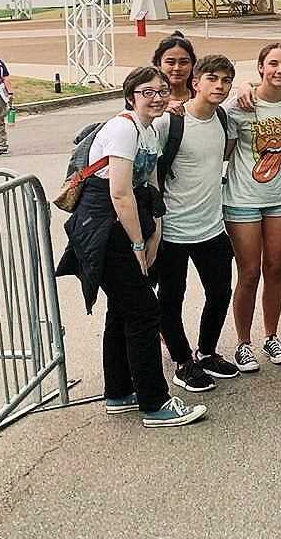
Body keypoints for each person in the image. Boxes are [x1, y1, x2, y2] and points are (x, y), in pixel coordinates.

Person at [56, 66, 206, 427]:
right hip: (106, 226)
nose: (157, 97)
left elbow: (149, 184)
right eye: (147, 92)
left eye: (162, 91)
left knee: (123, 311)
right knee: (144, 312)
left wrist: (154, 231)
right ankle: (155, 403)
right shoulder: (123, 128)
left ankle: (120, 391)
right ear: (131, 96)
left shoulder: (150, 130)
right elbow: (119, 192)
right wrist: (138, 242)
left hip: (129, 221)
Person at [154, 55, 238, 392]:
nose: (219, 86)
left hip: (211, 227)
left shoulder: (222, 117)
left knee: (219, 292)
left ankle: (206, 352)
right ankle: (182, 361)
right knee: (171, 298)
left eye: (226, 80)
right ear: (196, 83)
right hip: (173, 229)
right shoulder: (169, 123)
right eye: (212, 78)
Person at [223, 42, 281, 372]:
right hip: (242, 198)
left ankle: (271, 336)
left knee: (275, 268)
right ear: (260, 67)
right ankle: (243, 343)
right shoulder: (241, 104)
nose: (280, 70)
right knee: (249, 272)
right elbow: (224, 151)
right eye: (273, 64)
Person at [152, 31, 196, 112]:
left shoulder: (202, 96)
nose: (177, 68)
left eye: (183, 62)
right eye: (170, 62)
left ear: (192, 64)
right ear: (159, 64)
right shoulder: (148, 99)